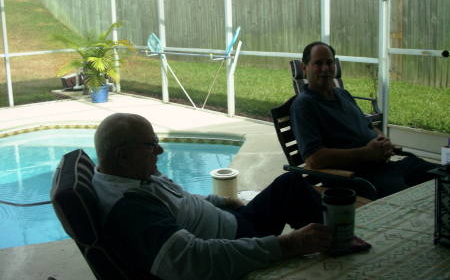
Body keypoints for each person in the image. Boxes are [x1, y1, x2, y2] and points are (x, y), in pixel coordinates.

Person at [92, 113, 332, 280]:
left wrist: (224, 201)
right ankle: (336, 247)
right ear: (123, 156)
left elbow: (182, 198)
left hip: (234, 217)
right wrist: (288, 244)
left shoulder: (128, 174)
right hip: (236, 238)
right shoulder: (131, 208)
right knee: (292, 189)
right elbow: (194, 262)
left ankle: (331, 239)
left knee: (289, 184)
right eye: (151, 145)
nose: (160, 150)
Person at [290, 41, 439, 199]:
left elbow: (368, 126)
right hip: (359, 180)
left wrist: (382, 139)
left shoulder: (342, 94)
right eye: (318, 63)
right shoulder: (304, 105)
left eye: (329, 62)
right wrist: (366, 153)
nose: (325, 68)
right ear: (304, 69)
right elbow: (314, 160)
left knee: (441, 174)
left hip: (386, 167)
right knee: (419, 199)